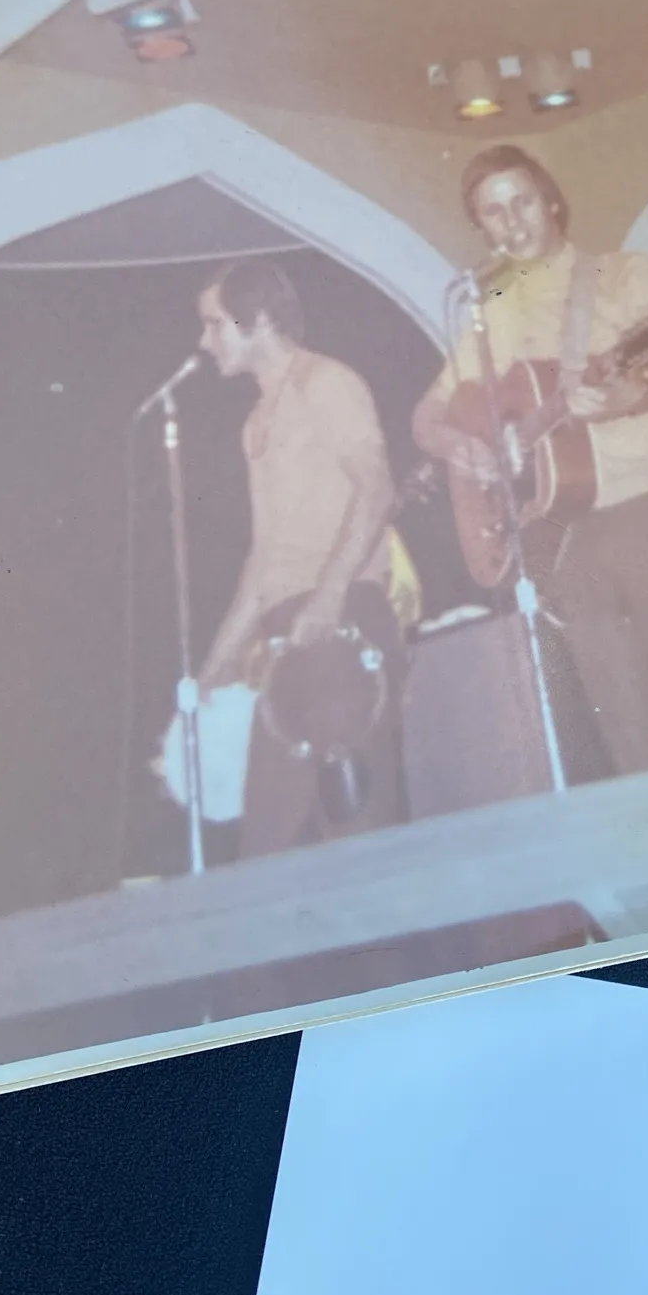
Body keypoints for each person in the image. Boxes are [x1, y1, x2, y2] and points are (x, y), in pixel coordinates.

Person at [411, 144, 648, 778]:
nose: (513, 221)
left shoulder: (626, 274)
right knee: (635, 738)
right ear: (482, 228)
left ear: (552, 201)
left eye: (522, 201)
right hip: (570, 537)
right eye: (493, 212)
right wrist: (460, 445)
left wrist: (628, 398)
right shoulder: (494, 305)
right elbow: (428, 415)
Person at [195, 257, 407, 855]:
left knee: (355, 825)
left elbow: (376, 490)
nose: (204, 342)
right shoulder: (256, 423)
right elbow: (264, 557)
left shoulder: (326, 383)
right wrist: (216, 664)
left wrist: (331, 596)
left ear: (260, 320)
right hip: (286, 639)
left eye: (214, 325)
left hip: (342, 622)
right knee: (270, 837)